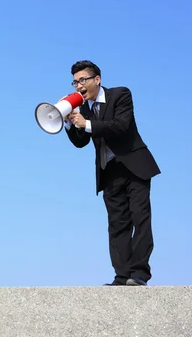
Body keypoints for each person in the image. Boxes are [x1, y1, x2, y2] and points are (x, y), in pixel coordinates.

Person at [63, 60, 160, 286]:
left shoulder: (120, 95)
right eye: (75, 82)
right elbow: (81, 142)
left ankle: (139, 274)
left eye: (83, 80)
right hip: (109, 173)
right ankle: (122, 276)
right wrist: (69, 122)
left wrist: (86, 123)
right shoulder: (84, 109)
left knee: (140, 219)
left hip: (134, 167)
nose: (79, 86)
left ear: (97, 80)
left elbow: (120, 125)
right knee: (117, 225)